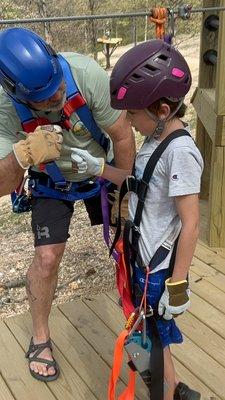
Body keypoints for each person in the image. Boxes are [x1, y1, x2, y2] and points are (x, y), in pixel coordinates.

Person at [0, 27, 135, 382]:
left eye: (58, 85)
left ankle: (141, 320)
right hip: (51, 181)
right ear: (18, 94)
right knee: (46, 258)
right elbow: (3, 183)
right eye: (44, 99)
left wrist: (125, 193)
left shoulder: (85, 73)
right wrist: (23, 153)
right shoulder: (5, 108)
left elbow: (122, 136)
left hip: (101, 170)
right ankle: (40, 337)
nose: (58, 95)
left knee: (130, 244)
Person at [71, 39, 203, 400]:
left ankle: (167, 390)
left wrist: (177, 286)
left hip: (159, 271)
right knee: (151, 335)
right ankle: (173, 388)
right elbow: (138, 184)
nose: (128, 120)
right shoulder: (155, 139)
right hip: (139, 261)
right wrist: (100, 168)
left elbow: (190, 222)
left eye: (132, 113)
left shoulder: (181, 153)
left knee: (155, 339)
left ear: (161, 110)